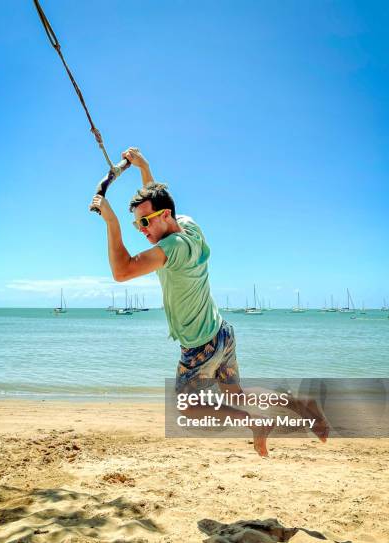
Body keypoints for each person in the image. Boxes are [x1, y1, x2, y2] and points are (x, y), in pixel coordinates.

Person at [90, 147, 328, 457]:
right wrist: (143, 167)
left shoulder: (171, 248)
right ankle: (299, 404)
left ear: (164, 216)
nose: (142, 230)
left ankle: (254, 423)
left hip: (200, 345)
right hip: (221, 333)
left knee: (185, 407)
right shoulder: (188, 225)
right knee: (236, 393)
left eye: (144, 223)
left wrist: (112, 223)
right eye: (137, 225)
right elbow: (161, 201)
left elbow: (121, 272)